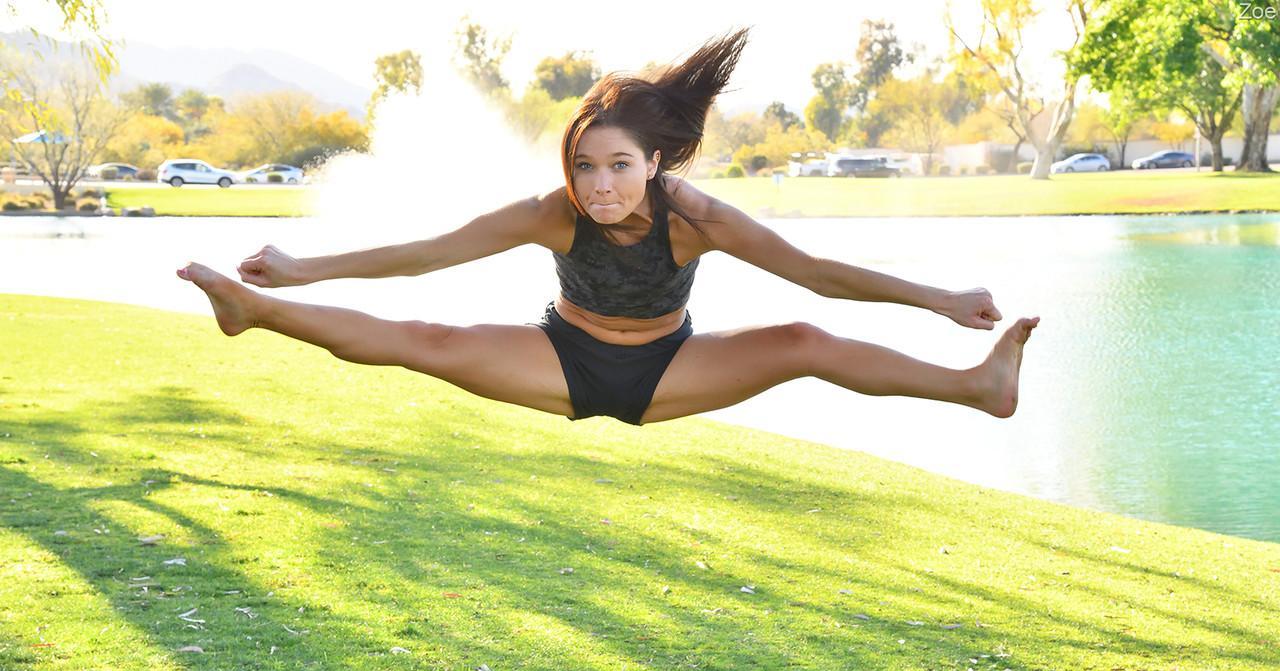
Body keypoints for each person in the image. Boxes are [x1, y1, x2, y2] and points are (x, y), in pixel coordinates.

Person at [176, 27, 1038, 427]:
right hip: (563, 353)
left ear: (656, 162)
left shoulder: (696, 217)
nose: (600, 186)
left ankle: (977, 387)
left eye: (619, 166)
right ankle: (257, 311)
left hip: (670, 367)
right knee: (425, 336)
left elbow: (816, 271)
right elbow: (430, 253)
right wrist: (301, 267)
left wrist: (939, 297)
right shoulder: (554, 213)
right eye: (586, 167)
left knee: (806, 336)